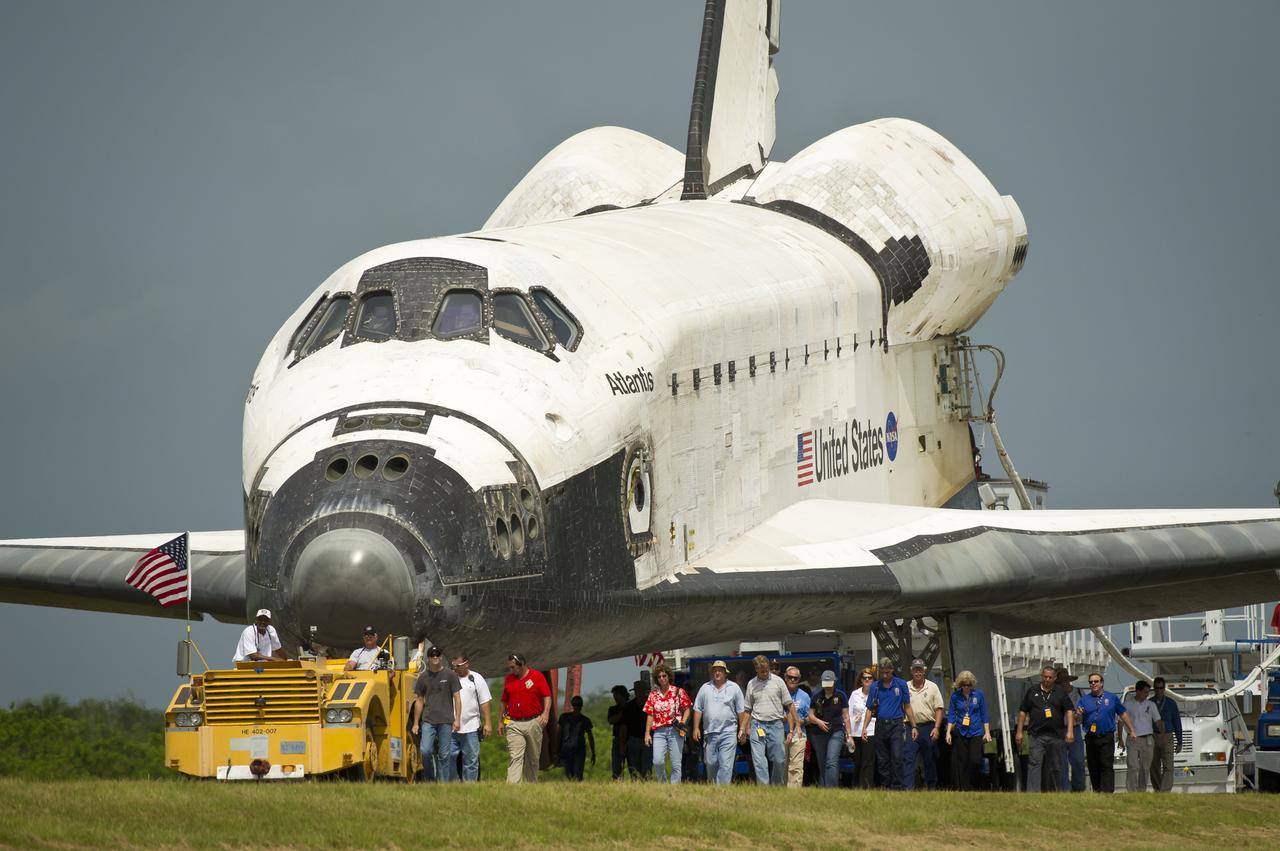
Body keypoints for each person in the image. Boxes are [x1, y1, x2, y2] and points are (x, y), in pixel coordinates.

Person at [1015, 665, 1074, 792]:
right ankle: (1033, 793)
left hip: (1056, 735)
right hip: (1036, 735)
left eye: (1050, 677)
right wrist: (1019, 732)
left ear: (1054, 678)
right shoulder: (1032, 691)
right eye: (1045, 677)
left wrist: (1069, 731)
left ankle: (1056, 791)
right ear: (1041, 676)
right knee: (1034, 764)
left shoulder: (1060, 692)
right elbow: (1022, 711)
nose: (1047, 679)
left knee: (1056, 766)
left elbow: (1069, 710)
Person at [860, 658, 916, 791]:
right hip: (880, 725)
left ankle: (897, 787)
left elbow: (907, 706)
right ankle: (886, 786)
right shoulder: (875, 686)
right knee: (882, 758)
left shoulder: (901, 684)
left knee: (897, 756)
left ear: (892, 670)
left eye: (887, 672)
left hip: (896, 724)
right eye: (882, 672)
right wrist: (864, 728)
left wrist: (914, 726)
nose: (885, 675)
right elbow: (869, 708)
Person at [743, 655, 799, 786]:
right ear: (756, 670)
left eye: (767, 670)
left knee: (779, 760)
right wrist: (742, 728)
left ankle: (776, 786)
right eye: (762, 671)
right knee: (759, 760)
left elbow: (789, 704)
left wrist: (798, 725)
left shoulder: (778, 682)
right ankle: (764, 788)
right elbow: (747, 709)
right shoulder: (751, 684)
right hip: (757, 724)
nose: (765, 673)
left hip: (776, 725)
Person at [1078, 672, 1135, 793]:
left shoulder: (1112, 697)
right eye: (1091, 682)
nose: (1093, 684)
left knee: (1106, 765)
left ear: (1102, 683)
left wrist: (1132, 730)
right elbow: (1076, 718)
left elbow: (1123, 714)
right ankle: (1097, 790)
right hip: (1091, 737)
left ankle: (1108, 792)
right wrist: (1077, 714)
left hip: (1106, 736)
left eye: (1096, 681)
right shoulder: (1084, 700)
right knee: (1093, 766)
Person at [693, 660, 746, 785]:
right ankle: (714, 789)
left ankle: (723, 791)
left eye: (720, 670)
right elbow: (697, 708)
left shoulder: (734, 688)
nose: (717, 672)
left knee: (726, 766)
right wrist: (696, 728)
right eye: (715, 670)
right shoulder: (705, 688)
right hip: (709, 733)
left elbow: (741, 710)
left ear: (725, 673)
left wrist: (742, 729)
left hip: (729, 732)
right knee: (711, 764)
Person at [500, 653, 551, 783]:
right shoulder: (509, 679)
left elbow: (547, 696)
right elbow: (504, 701)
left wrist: (545, 713)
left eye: (513, 667)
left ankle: (530, 785)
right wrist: (501, 721)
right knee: (515, 756)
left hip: (533, 722)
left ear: (521, 664)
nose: (511, 670)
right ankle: (512, 787)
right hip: (514, 723)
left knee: (532, 758)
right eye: (509, 667)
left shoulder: (537, 676)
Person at [412, 645, 461, 782]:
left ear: (440, 657)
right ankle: (430, 779)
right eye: (432, 655)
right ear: (428, 658)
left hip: (446, 720)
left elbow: (457, 697)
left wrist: (457, 719)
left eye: (437, 655)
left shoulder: (450, 675)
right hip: (428, 720)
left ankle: (443, 783)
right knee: (425, 751)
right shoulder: (423, 677)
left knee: (444, 754)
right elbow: (419, 700)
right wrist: (416, 723)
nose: (435, 658)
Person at [643, 662, 692, 783]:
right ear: (656, 679)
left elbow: (687, 709)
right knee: (657, 761)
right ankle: (663, 784)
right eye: (659, 677)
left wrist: (683, 722)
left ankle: (675, 789)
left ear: (668, 676)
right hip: (659, 731)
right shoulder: (653, 695)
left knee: (676, 764)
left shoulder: (678, 691)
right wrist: (647, 733)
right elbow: (650, 714)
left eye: (664, 676)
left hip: (675, 730)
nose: (662, 678)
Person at [945, 670, 991, 791]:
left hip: (976, 731)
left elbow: (984, 714)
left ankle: (975, 784)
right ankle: (965, 788)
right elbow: (951, 715)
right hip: (961, 731)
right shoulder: (955, 696)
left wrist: (987, 732)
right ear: (960, 685)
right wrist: (948, 732)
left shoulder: (978, 695)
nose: (966, 687)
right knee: (962, 761)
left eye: (969, 685)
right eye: (964, 685)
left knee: (975, 760)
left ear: (972, 684)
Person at [904, 658, 944, 789]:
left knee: (929, 759)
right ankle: (908, 788)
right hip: (911, 727)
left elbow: (939, 708)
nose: (918, 672)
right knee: (909, 758)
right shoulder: (906, 686)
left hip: (928, 727)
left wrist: (937, 728)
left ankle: (931, 787)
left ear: (924, 671)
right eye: (915, 669)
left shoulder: (932, 687)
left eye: (920, 670)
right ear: (911, 671)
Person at [450, 653, 491, 782]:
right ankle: (452, 785)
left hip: (471, 727)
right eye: (453, 666)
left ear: (467, 664)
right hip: (451, 727)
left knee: (471, 760)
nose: (455, 668)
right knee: (449, 757)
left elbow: (484, 702)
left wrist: (488, 723)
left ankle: (470, 786)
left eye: (458, 666)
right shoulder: (450, 678)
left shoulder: (476, 678)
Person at [807, 670, 850, 788]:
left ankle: (832, 788)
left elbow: (846, 716)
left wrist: (849, 735)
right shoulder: (816, 696)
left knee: (831, 760)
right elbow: (810, 715)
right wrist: (818, 722)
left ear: (834, 682)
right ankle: (823, 787)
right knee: (822, 762)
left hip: (836, 731)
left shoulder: (841, 696)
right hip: (818, 733)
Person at [1120, 680, 1164, 792]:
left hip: (1148, 739)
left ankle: (1142, 790)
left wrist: (1162, 735)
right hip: (1133, 739)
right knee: (1133, 766)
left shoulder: (1151, 705)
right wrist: (1120, 738)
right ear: (1138, 691)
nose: (1147, 695)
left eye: (1148, 692)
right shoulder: (1127, 704)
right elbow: (1120, 722)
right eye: (1145, 692)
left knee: (1145, 767)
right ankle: (1131, 791)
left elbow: (1158, 721)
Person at [1055, 667, 1086, 792]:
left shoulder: (1079, 692)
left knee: (1078, 760)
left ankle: (1078, 787)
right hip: (1060, 730)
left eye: (1064, 682)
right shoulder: (1056, 695)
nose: (1063, 685)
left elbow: (1085, 710)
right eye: (1060, 683)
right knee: (1062, 762)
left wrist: (1080, 715)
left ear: (1068, 681)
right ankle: (1065, 789)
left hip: (1075, 729)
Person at [1149, 677, 1183, 793]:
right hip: (1154, 736)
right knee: (1154, 765)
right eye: (1156, 688)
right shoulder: (1149, 702)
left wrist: (1180, 741)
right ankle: (1158, 789)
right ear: (1154, 689)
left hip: (1167, 736)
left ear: (1164, 689)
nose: (1159, 690)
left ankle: (1165, 790)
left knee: (1168, 766)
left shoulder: (1171, 703)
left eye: (1161, 688)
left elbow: (1177, 722)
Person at [847, 667, 876, 787]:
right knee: (857, 762)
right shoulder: (855, 694)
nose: (867, 680)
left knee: (868, 762)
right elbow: (848, 714)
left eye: (870, 678)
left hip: (871, 731)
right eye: (865, 678)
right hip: (856, 732)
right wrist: (848, 735)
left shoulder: (876, 694)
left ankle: (867, 786)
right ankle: (856, 786)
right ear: (861, 680)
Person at [783, 665, 811, 787]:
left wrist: (800, 722)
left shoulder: (804, 696)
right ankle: (782, 793)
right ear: (785, 678)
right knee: (782, 765)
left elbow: (809, 717)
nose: (793, 680)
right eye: (790, 677)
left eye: (796, 678)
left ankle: (794, 794)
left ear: (799, 679)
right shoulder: (778, 694)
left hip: (798, 734)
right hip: (780, 734)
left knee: (796, 766)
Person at [557, 695, 595, 781]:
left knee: (578, 774)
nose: (577, 706)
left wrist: (593, 753)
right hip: (566, 749)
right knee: (569, 774)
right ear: (572, 705)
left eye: (579, 704)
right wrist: (557, 750)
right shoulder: (564, 717)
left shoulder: (585, 720)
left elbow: (590, 737)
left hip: (579, 750)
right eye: (575, 704)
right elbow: (559, 734)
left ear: (581, 705)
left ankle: (578, 789)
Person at [623, 679, 651, 779]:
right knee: (634, 766)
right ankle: (636, 785)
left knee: (647, 766)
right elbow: (624, 726)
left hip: (648, 740)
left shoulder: (651, 704)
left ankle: (646, 785)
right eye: (637, 690)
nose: (639, 692)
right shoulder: (629, 706)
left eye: (641, 690)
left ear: (645, 691)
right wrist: (623, 742)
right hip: (633, 739)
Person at [607, 685, 631, 780]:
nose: (615, 698)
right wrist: (622, 712)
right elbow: (611, 720)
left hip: (631, 739)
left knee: (633, 766)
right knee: (617, 767)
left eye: (617, 695)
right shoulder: (613, 709)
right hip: (617, 739)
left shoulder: (631, 706)